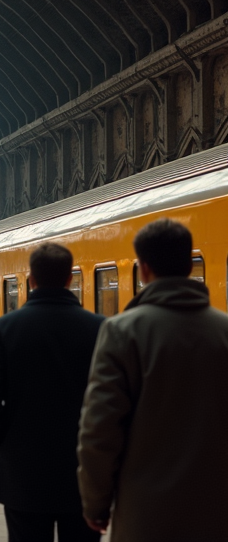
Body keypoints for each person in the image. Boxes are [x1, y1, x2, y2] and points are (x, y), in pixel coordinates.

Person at [78, 220, 228, 542]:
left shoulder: (121, 332)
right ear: (190, 264)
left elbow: (100, 429)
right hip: (218, 508)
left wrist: (96, 504)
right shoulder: (224, 332)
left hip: (145, 513)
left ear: (143, 269)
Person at [0, 243, 104, 542]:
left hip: (23, 472)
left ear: (31, 280)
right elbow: (113, 402)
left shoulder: (5, 328)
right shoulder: (100, 328)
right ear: (70, 279)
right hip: (82, 470)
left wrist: (3, 445)